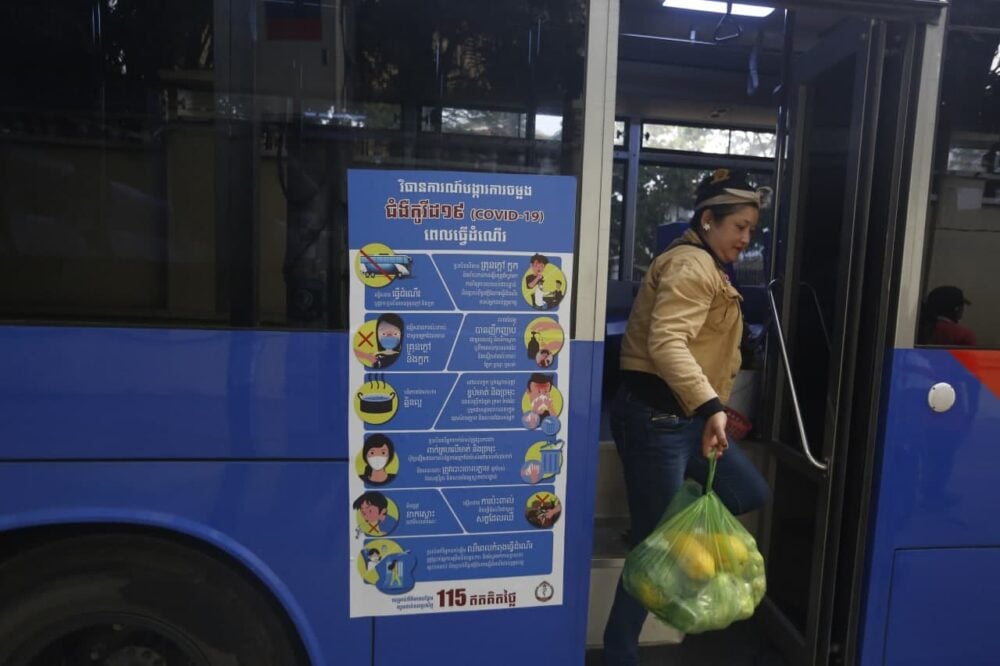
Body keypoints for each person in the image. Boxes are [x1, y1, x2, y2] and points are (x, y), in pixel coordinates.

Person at [603, 169, 771, 666]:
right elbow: (667, 343)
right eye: (739, 226)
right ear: (708, 219)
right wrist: (712, 406)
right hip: (659, 418)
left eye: (751, 229)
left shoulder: (710, 266)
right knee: (655, 547)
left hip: (687, 418)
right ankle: (619, 655)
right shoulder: (691, 265)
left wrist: (708, 409)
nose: (746, 238)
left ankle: (665, 516)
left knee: (748, 492)